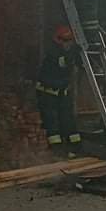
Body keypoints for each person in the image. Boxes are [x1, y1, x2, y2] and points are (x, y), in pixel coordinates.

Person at [37, 26, 82, 158]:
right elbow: (62, 62)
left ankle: (75, 147)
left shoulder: (68, 51)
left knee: (67, 119)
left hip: (62, 92)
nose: (68, 44)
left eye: (70, 41)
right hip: (48, 92)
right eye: (66, 41)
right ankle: (56, 150)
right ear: (59, 41)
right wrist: (74, 53)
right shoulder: (52, 53)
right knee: (52, 121)